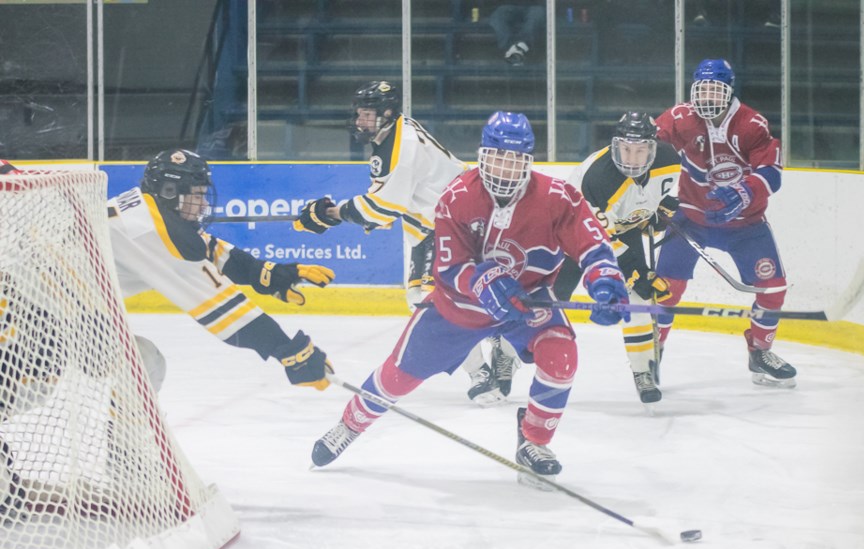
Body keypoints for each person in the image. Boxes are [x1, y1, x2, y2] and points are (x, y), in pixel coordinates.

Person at [309, 111, 631, 487]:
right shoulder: (458, 197)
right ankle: (350, 424)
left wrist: (605, 279)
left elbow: (591, 242)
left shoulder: (557, 198)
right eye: (497, 157)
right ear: (482, 155)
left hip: (527, 302)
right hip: (458, 309)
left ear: (528, 161)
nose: (505, 167)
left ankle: (534, 441)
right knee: (396, 377)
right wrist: (485, 282)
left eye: (514, 159)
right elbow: (449, 266)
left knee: (561, 360)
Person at [294, 80, 513, 404]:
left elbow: (382, 208)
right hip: (434, 224)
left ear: (386, 113)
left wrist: (332, 214)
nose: (359, 122)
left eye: (366, 115)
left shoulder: (401, 145)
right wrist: (337, 213)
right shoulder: (391, 136)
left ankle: (485, 367)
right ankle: (491, 348)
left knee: (430, 299)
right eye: (359, 114)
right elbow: (384, 207)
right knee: (422, 298)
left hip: (457, 222)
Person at [109, 149, 335, 393]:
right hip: (66, 321)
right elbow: (223, 307)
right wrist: (289, 351)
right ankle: (118, 431)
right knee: (144, 364)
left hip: (75, 314)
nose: (204, 204)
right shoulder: (151, 234)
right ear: (170, 192)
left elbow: (209, 248)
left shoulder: (143, 210)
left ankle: (118, 429)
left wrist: (264, 273)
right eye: (197, 195)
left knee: (142, 362)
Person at [654, 58, 795, 387]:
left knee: (773, 290)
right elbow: (649, 150)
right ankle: (650, 351)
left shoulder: (751, 124)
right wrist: (652, 198)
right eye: (702, 89)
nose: (707, 97)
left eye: (715, 90)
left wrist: (746, 193)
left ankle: (760, 351)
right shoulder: (679, 118)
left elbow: (772, 173)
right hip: (690, 218)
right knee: (664, 290)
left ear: (730, 92)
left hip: (745, 225)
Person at [558, 112, 681, 403]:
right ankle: (507, 356)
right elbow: (599, 239)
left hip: (619, 230)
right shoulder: (598, 178)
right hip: (568, 235)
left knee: (638, 300)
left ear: (652, 147)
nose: (632, 157)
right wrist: (635, 269)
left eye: (640, 150)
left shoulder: (670, 159)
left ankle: (643, 371)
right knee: (547, 300)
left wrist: (661, 209)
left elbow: (659, 194)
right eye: (626, 149)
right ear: (615, 145)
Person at [481, 1, 546, 66]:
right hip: (510, 4)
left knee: (538, 14)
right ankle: (514, 51)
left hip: (536, 5)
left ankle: (517, 51)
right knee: (498, 15)